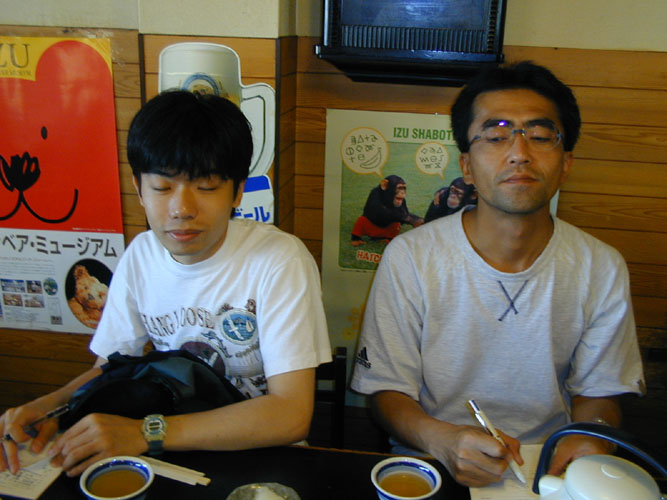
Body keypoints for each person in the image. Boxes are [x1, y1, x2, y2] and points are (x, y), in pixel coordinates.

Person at [0, 90, 331, 476]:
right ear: (139, 188)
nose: (182, 209)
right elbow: (112, 367)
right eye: (162, 188)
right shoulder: (140, 256)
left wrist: (146, 432)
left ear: (238, 191)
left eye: (206, 187)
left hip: (262, 459)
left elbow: (291, 415)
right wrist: (54, 407)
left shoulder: (279, 260)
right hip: (172, 454)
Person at [350, 62, 644, 487]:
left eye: (540, 136)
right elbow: (386, 391)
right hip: (434, 464)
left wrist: (591, 436)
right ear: (467, 166)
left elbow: (599, 393)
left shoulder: (600, 267)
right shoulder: (410, 257)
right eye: (496, 136)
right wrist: (441, 439)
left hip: (551, 470)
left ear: (566, 162)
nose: (519, 153)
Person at [350, 175, 423, 246]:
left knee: (397, 224)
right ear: (385, 185)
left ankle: (387, 238)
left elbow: (405, 214)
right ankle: (356, 238)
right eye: (399, 188)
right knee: (362, 220)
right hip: (372, 224)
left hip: (387, 226)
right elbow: (377, 213)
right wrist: (408, 219)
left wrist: (416, 220)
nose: (402, 192)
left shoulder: (399, 197)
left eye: (404, 188)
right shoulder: (376, 194)